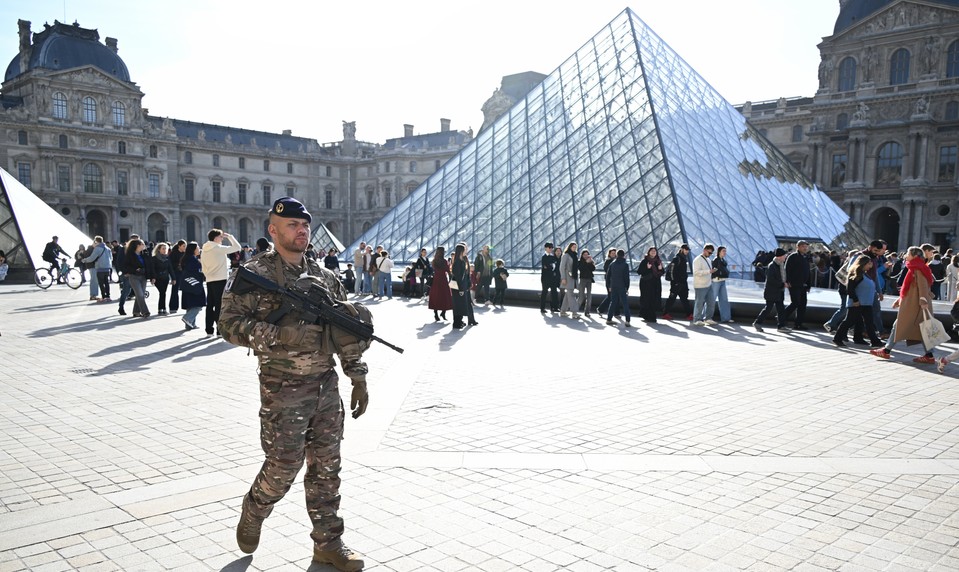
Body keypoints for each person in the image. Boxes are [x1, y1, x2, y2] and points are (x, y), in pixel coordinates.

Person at [219, 197, 369, 571]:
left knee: (326, 468)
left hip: (325, 386)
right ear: (273, 230)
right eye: (292, 225)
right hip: (282, 388)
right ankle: (255, 508)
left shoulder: (325, 277)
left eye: (305, 225)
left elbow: (345, 331)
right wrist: (280, 335)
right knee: (283, 466)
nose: (301, 230)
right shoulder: (255, 274)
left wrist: (357, 376)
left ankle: (328, 543)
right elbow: (228, 326)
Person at [871, 246, 936, 363]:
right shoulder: (917, 267)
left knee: (902, 325)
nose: (906, 255)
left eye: (908, 254)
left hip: (915, 305)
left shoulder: (917, 268)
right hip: (914, 303)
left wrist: (923, 299)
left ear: (915, 256)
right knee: (921, 329)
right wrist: (900, 300)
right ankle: (929, 355)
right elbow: (910, 287)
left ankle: (886, 351)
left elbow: (922, 285)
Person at [832, 256, 883, 348]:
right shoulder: (856, 275)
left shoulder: (865, 274)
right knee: (849, 321)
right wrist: (855, 300)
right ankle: (837, 338)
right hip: (857, 303)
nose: (870, 266)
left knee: (869, 322)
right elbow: (850, 289)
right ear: (863, 264)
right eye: (869, 264)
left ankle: (875, 341)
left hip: (866, 303)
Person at [201, 228, 242, 336]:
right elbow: (237, 247)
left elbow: (203, 265)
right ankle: (219, 330)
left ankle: (209, 330)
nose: (222, 239)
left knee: (210, 305)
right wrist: (230, 237)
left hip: (210, 279)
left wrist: (207, 275)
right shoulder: (217, 248)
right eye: (220, 237)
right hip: (220, 279)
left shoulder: (204, 249)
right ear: (215, 238)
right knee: (220, 305)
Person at [753, 248, 789, 332]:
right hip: (772, 291)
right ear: (780, 256)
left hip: (779, 290)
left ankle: (781, 326)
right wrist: (782, 284)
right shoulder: (772, 266)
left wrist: (784, 283)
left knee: (781, 309)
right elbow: (771, 279)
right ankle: (757, 322)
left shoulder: (780, 264)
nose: (785, 257)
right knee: (768, 308)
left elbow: (781, 277)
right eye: (784, 255)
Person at [782, 240, 811, 330]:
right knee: (795, 303)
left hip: (803, 285)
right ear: (797, 247)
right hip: (794, 284)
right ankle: (781, 317)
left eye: (806, 246)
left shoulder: (806, 257)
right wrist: (787, 281)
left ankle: (798, 324)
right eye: (803, 246)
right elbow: (787, 269)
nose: (805, 248)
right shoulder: (792, 257)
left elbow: (808, 272)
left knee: (803, 304)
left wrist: (809, 285)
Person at [121, 238, 150, 318]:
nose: (144, 246)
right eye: (142, 244)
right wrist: (135, 270)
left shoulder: (144, 254)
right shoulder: (129, 255)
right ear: (137, 246)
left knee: (140, 295)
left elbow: (149, 265)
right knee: (140, 294)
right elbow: (125, 266)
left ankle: (136, 312)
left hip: (143, 276)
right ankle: (145, 311)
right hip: (134, 276)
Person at [451, 243, 477, 329]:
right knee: (458, 305)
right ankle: (457, 323)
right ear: (461, 251)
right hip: (459, 287)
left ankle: (459, 322)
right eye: (464, 250)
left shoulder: (460, 261)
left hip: (461, 286)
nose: (466, 251)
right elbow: (459, 277)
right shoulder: (459, 262)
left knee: (460, 305)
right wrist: (461, 289)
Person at [662, 244, 691, 320]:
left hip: (682, 282)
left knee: (684, 299)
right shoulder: (677, 258)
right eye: (686, 249)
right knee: (672, 298)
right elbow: (672, 271)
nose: (687, 251)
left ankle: (689, 314)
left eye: (687, 250)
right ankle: (665, 313)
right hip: (677, 283)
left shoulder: (682, 258)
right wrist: (675, 282)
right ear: (682, 249)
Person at [179, 242, 205, 330]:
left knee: (191, 304)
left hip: (188, 284)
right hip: (194, 283)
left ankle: (190, 324)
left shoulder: (187, 258)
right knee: (199, 303)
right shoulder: (192, 259)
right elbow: (194, 271)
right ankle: (188, 318)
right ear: (193, 250)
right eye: (197, 248)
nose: (199, 249)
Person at [691, 243, 717, 326]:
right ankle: (697, 319)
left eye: (711, 253)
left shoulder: (708, 260)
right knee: (699, 302)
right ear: (704, 250)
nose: (710, 255)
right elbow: (696, 272)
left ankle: (708, 318)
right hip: (700, 285)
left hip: (708, 284)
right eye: (709, 253)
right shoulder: (697, 260)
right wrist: (709, 271)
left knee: (711, 302)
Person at [636, 247, 664, 323]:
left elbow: (662, 272)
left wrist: (660, 269)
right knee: (647, 299)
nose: (653, 252)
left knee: (654, 299)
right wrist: (647, 268)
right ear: (648, 252)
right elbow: (639, 272)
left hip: (655, 284)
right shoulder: (645, 261)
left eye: (654, 251)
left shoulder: (658, 261)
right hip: (646, 284)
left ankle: (648, 315)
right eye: (652, 251)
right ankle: (650, 316)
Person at [605, 249, 631, 327]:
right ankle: (627, 321)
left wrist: (609, 286)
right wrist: (627, 287)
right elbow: (626, 278)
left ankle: (609, 319)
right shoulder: (625, 265)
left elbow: (608, 276)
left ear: (616, 254)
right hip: (622, 286)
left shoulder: (612, 264)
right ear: (624, 255)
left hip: (613, 286)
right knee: (625, 303)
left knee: (613, 302)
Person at [82, 236, 113, 301]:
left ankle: (103, 297)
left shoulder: (97, 248)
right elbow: (111, 258)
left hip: (100, 268)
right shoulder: (108, 248)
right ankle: (108, 296)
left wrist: (84, 260)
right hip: (107, 268)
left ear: (96, 241)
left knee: (101, 283)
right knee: (106, 282)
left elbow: (92, 258)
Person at [428, 246, 453, 321]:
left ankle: (436, 314)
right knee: (445, 296)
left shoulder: (434, 261)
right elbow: (448, 271)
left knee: (436, 296)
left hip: (436, 280)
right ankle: (443, 312)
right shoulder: (444, 261)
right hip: (443, 280)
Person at [149, 242, 174, 315]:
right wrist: (153, 278)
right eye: (163, 248)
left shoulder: (167, 258)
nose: (164, 250)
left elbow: (170, 269)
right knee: (162, 292)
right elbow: (152, 269)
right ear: (159, 249)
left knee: (163, 293)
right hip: (157, 278)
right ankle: (162, 308)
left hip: (165, 278)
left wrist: (173, 278)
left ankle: (162, 309)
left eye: (165, 248)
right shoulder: (154, 258)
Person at [558, 242, 580, 318]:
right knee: (571, 294)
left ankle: (563, 311)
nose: (574, 248)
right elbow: (562, 267)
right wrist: (563, 278)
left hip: (573, 277)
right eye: (573, 247)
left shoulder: (575, 255)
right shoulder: (566, 255)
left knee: (568, 295)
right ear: (569, 247)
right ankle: (574, 312)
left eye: (575, 247)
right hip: (567, 278)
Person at [712, 246, 733, 323]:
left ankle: (726, 318)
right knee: (712, 299)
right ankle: (706, 317)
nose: (725, 252)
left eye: (725, 251)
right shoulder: (716, 260)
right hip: (716, 281)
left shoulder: (723, 260)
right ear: (719, 252)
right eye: (723, 251)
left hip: (722, 281)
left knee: (724, 299)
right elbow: (713, 270)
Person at [597, 248, 617, 315]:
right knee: (611, 296)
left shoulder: (616, 261)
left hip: (615, 281)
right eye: (612, 253)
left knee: (613, 296)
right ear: (609, 254)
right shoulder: (608, 261)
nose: (613, 254)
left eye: (614, 253)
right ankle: (600, 309)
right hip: (609, 281)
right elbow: (607, 271)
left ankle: (601, 309)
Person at [539, 242, 559, 314]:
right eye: (549, 247)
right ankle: (542, 308)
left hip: (552, 277)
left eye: (552, 248)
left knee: (554, 292)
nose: (551, 249)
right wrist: (551, 265)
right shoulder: (544, 257)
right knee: (544, 292)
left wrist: (550, 266)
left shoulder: (552, 256)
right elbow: (546, 266)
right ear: (546, 248)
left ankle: (554, 307)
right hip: (545, 278)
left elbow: (553, 265)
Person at [169, 240, 186, 314]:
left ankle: (186, 306)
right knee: (175, 290)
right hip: (176, 273)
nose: (185, 248)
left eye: (185, 246)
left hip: (184, 273)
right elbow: (170, 265)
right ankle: (173, 307)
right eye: (183, 246)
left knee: (186, 290)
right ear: (179, 246)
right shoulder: (173, 253)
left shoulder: (185, 254)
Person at [577, 250, 595, 317]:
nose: (586, 256)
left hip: (589, 280)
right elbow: (581, 268)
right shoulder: (579, 262)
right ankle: (575, 310)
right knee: (581, 296)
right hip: (582, 279)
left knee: (589, 296)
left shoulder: (590, 261)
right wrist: (585, 262)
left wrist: (590, 262)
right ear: (582, 255)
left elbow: (593, 269)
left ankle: (587, 311)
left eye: (587, 254)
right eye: (584, 255)